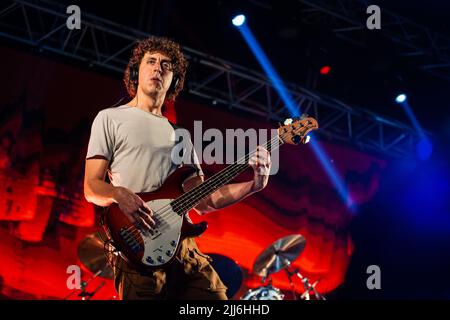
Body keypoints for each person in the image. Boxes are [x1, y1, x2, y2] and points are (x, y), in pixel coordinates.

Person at [83, 36, 271, 300]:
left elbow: (205, 200)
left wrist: (254, 184)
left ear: (174, 80)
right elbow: (91, 186)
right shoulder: (110, 118)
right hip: (136, 247)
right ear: (137, 71)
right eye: (151, 61)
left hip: (184, 247)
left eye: (166, 65)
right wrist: (118, 194)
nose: (158, 68)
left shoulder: (180, 134)